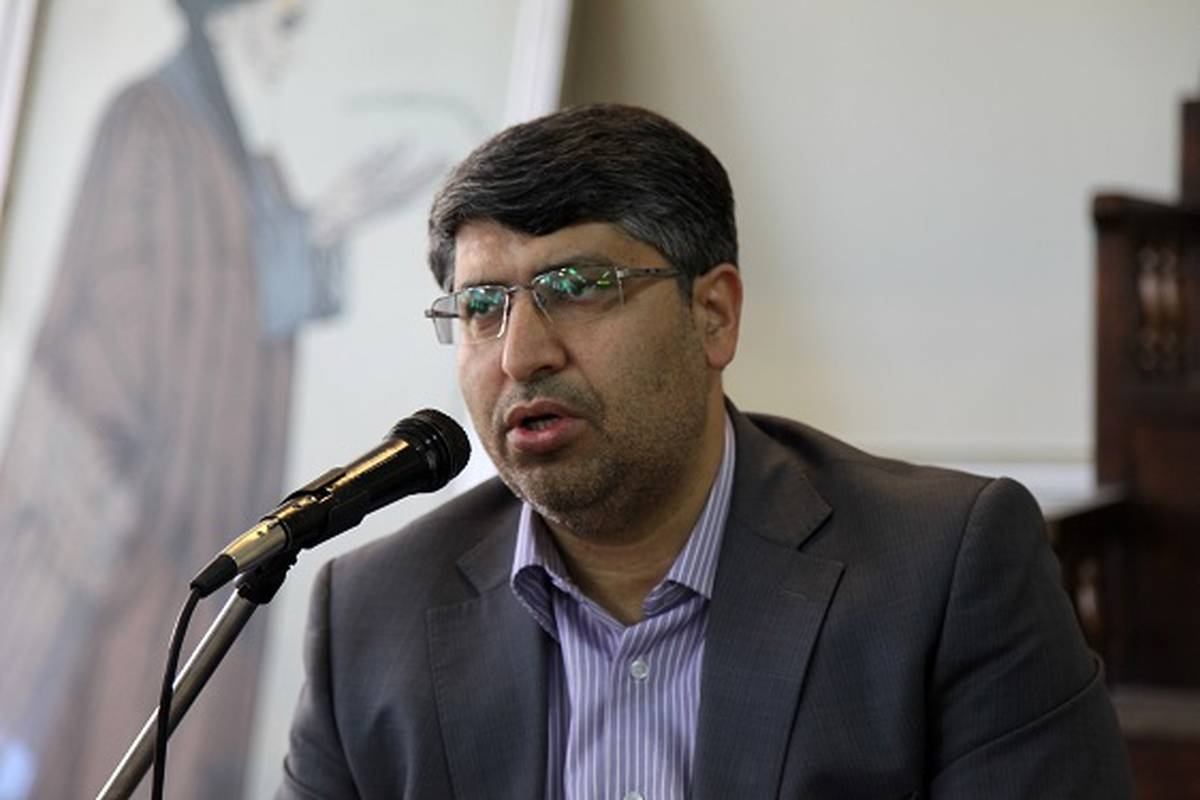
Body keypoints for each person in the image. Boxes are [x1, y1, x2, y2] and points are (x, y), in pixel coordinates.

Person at [277, 104, 1132, 798]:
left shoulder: (945, 570)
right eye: (481, 307)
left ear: (713, 314)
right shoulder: (371, 617)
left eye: (578, 287)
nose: (521, 354)